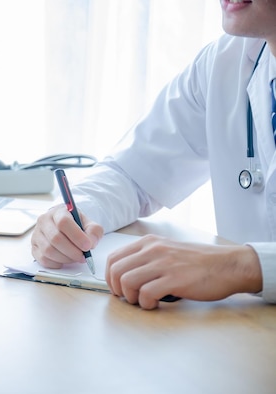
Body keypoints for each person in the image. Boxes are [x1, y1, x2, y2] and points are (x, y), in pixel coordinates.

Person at [31, 0, 276, 310]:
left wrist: (240, 267)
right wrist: (75, 215)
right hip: (246, 331)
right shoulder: (226, 62)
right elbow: (132, 174)